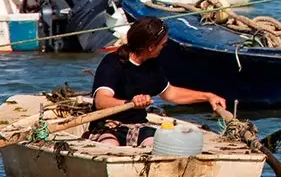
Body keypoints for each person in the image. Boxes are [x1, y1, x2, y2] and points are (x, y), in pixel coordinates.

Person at [89, 16, 228, 147]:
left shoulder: (152, 65)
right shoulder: (112, 63)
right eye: (163, 44)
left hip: (137, 126)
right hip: (107, 125)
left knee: (156, 144)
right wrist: (130, 103)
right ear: (151, 47)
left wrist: (207, 96)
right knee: (109, 145)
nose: (164, 47)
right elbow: (101, 102)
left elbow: (171, 94)